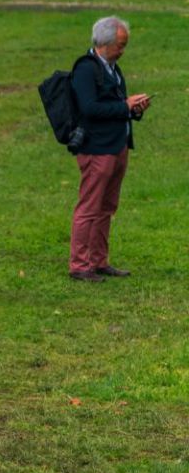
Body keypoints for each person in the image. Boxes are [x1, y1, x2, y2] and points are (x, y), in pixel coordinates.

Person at [67, 15, 149, 281]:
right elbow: (89, 109)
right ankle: (79, 265)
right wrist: (125, 105)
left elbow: (114, 106)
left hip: (117, 146)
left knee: (107, 207)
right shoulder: (86, 69)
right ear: (105, 43)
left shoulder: (113, 68)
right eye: (121, 45)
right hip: (97, 149)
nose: (123, 50)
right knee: (89, 207)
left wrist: (133, 110)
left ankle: (99, 261)